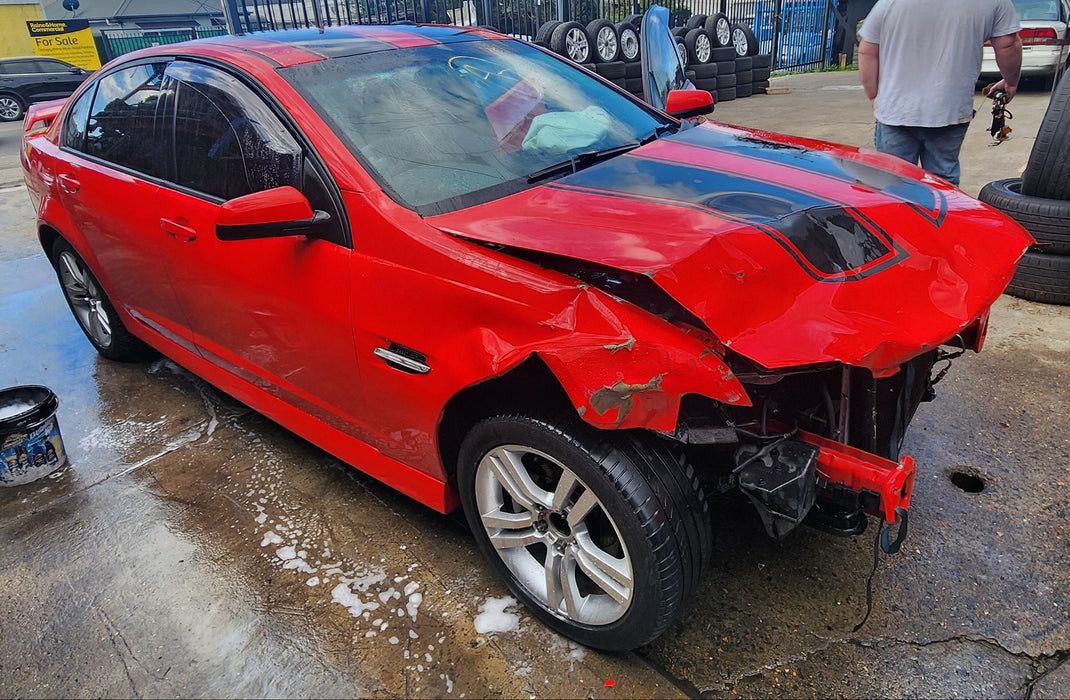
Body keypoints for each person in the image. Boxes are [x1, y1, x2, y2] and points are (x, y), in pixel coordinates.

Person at [857, 0, 1022, 187]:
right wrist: (1010, 82)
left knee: (892, 183)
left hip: (895, 110)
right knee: (942, 184)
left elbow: (867, 50)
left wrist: (873, 95)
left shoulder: (890, 2)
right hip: (949, 109)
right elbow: (1008, 45)